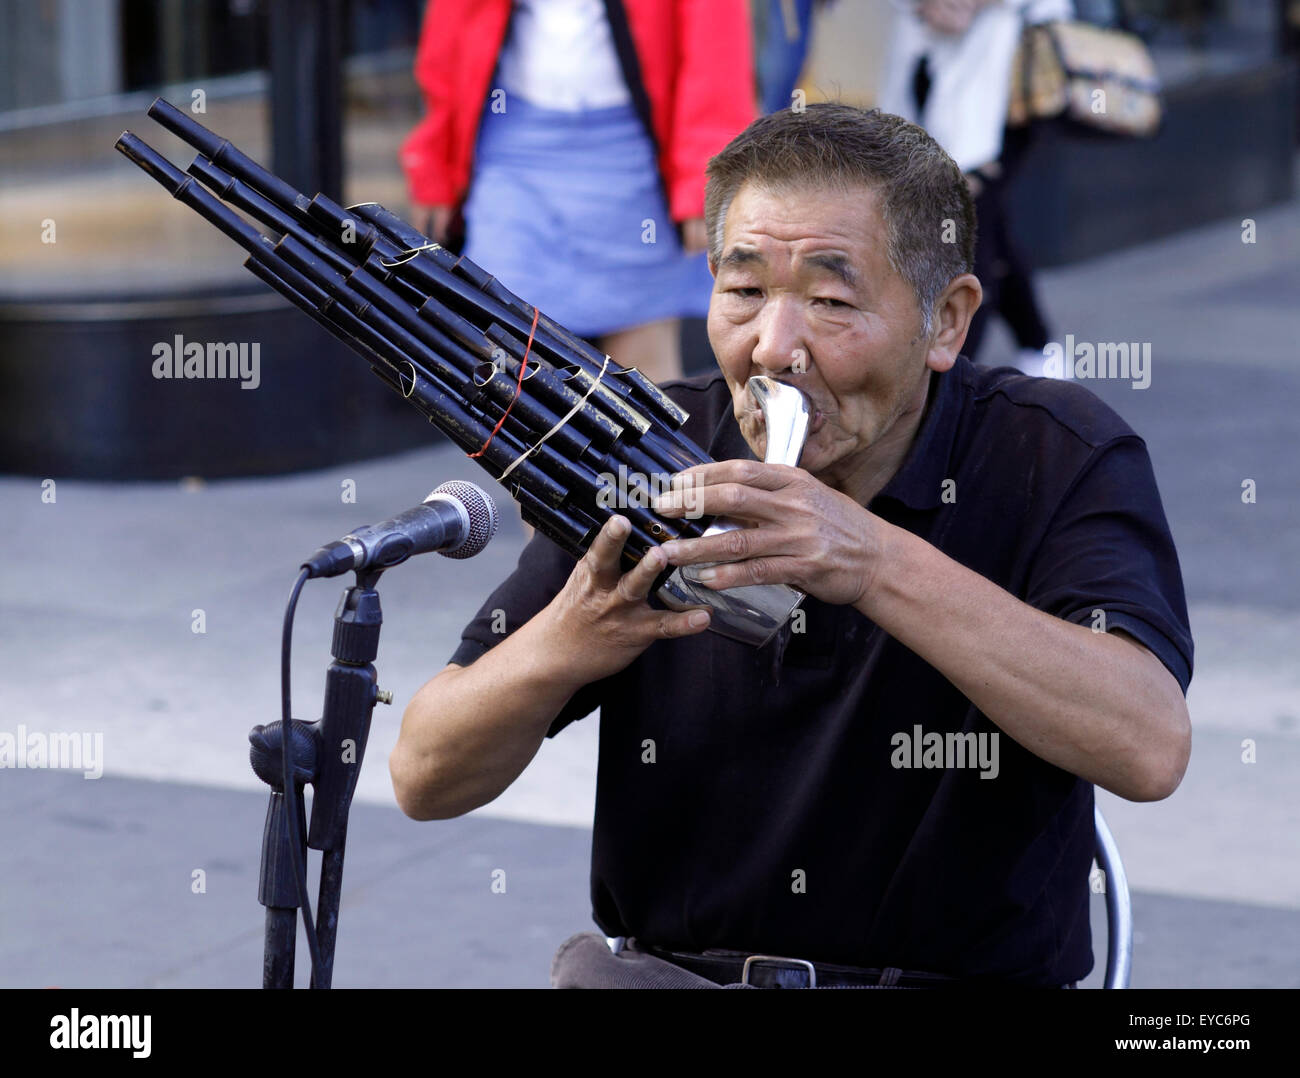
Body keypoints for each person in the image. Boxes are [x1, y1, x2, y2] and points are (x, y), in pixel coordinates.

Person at [390, 104, 1193, 988]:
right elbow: (426, 775)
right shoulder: (654, 447)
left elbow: (1148, 746)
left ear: (948, 322)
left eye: (831, 300)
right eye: (743, 293)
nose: (774, 348)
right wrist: (568, 641)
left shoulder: (1053, 450)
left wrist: (873, 560)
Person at [400, 0, 754, 385]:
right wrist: (435, 156)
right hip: (514, 142)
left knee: (642, 372)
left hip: (634, 146)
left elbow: (716, 38)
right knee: (510, 357)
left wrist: (705, 171)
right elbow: (451, 26)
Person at [877, 0, 1071, 366]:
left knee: (969, 224)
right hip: (925, 66)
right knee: (990, 227)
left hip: (1007, 78)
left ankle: (955, 373)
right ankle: (1039, 350)